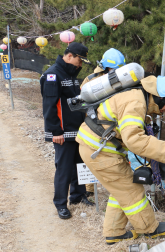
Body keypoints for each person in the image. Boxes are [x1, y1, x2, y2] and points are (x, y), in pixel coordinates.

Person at [76, 73, 165, 245]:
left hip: (97, 147)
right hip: (99, 151)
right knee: (131, 191)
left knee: (121, 189)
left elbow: (135, 134)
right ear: (163, 96)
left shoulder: (140, 96)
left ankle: (114, 232)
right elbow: (134, 140)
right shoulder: (137, 102)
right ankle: (149, 229)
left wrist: (159, 159)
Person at [41, 42, 94, 220]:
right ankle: (60, 204)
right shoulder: (52, 75)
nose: (81, 65)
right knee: (63, 169)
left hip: (77, 131)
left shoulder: (71, 74)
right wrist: (55, 131)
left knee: (79, 165)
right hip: (62, 132)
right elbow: (49, 107)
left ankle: (78, 197)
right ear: (69, 56)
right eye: (80, 60)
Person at [80, 48, 126, 197]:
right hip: (95, 122)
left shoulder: (95, 78)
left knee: (112, 154)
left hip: (109, 121)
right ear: (105, 67)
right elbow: (83, 99)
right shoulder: (92, 80)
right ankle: (89, 189)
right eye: (112, 68)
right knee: (92, 153)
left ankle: (113, 187)